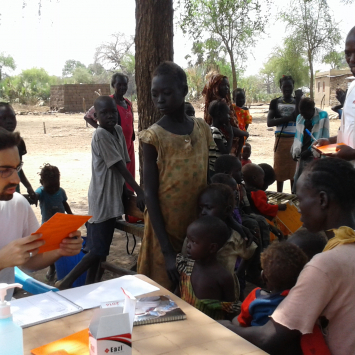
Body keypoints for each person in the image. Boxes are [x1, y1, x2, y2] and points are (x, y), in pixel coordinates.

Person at [221, 158, 355, 355]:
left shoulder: (325, 265)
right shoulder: (344, 246)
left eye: (300, 199)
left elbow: (269, 337)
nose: (298, 208)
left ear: (322, 200)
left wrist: (222, 326)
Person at [137, 62, 214, 291]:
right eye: (155, 94)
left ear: (184, 90)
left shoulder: (202, 129)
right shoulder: (153, 137)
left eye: (167, 93)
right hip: (165, 231)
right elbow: (150, 194)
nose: (160, 99)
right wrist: (168, 252)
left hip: (196, 228)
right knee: (162, 292)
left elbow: (207, 177)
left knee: (192, 291)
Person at [56, 96, 144, 289]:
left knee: (101, 252)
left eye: (113, 112)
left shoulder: (119, 131)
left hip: (114, 199)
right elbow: (119, 166)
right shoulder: (101, 134)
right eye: (104, 113)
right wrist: (138, 190)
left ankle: (90, 286)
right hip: (103, 198)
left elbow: (123, 163)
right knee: (96, 251)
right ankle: (65, 283)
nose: (110, 116)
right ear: (96, 116)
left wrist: (126, 191)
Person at [0, 128, 82, 300]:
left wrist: (60, 249)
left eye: (17, 168)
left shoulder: (17, 205)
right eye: (5, 170)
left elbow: (31, 260)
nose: (16, 180)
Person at [177, 216, 239, 320]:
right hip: (185, 324)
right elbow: (178, 294)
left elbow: (231, 310)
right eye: (188, 240)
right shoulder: (186, 267)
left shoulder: (223, 277)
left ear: (212, 248)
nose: (188, 245)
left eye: (194, 242)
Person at [84, 73, 135, 190]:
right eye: (119, 84)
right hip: (114, 143)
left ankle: (129, 196)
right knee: (119, 170)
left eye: (125, 84)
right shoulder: (108, 102)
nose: (122, 87)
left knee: (129, 169)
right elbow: (88, 116)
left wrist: (132, 136)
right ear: (113, 85)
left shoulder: (128, 103)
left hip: (128, 144)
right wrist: (100, 129)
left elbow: (130, 121)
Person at [237, 242, 308, 327]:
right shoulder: (301, 300)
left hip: (252, 337)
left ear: (263, 276)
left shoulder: (255, 297)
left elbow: (242, 322)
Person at [315, 27, 355, 165]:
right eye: (348, 53)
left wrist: (353, 153)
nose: (352, 59)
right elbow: (347, 130)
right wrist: (330, 141)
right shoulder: (352, 88)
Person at [35, 163, 73, 281]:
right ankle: (52, 268)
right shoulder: (41, 192)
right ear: (42, 183)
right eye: (49, 187)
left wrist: (70, 215)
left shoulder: (61, 191)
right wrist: (32, 196)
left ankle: (61, 268)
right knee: (50, 249)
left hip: (61, 226)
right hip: (48, 227)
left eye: (56, 186)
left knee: (62, 246)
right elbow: (36, 196)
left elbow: (64, 203)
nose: (53, 190)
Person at [267, 76, 302, 192]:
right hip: (280, 141)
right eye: (284, 86)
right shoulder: (275, 102)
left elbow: (299, 116)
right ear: (280, 87)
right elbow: (269, 122)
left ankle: (292, 197)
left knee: (293, 171)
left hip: (295, 140)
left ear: (293, 87)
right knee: (279, 172)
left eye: (290, 86)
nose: (287, 89)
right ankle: (279, 195)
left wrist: (299, 99)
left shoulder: (298, 101)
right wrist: (288, 118)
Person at [202, 73, 248, 156]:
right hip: (224, 148)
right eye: (223, 85)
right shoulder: (217, 105)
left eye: (227, 86)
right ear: (215, 87)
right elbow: (224, 127)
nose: (227, 88)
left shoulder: (226, 102)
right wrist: (243, 133)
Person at [0, 102, 37, 202]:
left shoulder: (17, 142)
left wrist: (28, 186)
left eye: (12, 117)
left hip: (12, 191)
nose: (9, 122)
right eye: (4, 118)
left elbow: (16, 167)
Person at [291, 97, 329, 192]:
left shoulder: (323, 116)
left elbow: (325, 137)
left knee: (313, 183)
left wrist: (310, 150)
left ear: (312, 109)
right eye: (301, 113)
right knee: (300, 182)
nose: (303, 116)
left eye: (305, 113)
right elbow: (297, 136)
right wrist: (294, 151)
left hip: (315, 155)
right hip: (302, 155)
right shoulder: (300, 117)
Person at [208, 100, 234, 173]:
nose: (229, 117)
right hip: (214, 170)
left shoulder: (213, 129)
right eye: (227, 114)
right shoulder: (215, 131)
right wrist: (231, 134)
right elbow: (225, 152)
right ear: (219, 114)